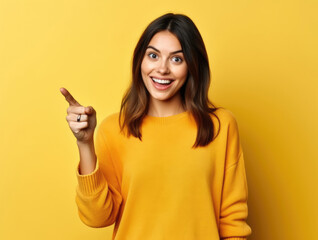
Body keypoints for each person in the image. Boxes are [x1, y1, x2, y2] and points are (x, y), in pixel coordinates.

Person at [60, 13, 252, 240]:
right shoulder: (114, 129)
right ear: (140, 60)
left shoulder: (220, 126)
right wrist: (84, 143)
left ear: (192, 66)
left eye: (176, 59)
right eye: (153, 55)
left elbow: (232, 221)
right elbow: (97, 217)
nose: (162, 69)